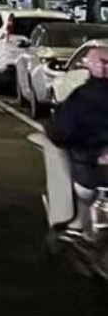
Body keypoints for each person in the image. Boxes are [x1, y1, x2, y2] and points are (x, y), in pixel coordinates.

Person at [49, 45, 108, 234]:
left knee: (58, 153)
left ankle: (77, 223)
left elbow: (60, 133)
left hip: (90, 176)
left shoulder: (80, 97)